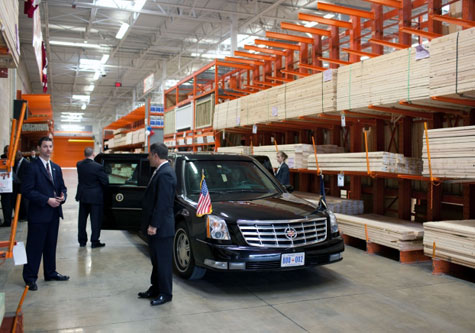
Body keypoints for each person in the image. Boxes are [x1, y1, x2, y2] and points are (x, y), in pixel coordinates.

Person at [21, 136, 69, 291]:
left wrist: (63, 197)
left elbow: (63, 188)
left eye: (50, 146)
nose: (48, 149)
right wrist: (46, 200)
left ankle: (50, 272)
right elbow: (27, 190)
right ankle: (30, 278)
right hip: (39, 214)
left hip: (54, 214)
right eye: (45, 146)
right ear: (39, 148)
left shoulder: (56, 167)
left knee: (50, 245)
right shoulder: (32, 167)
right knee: (35, 247)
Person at [138, 143, 176, 306]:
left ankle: (166, 293)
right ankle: (155, 288)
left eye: (149, 155)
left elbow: (163, 203)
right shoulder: (160, 171)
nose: (147, 158)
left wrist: (154, 225)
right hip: (157, 226)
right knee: (156, 261)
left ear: (155, 155)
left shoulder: (166, 173)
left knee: (163, 262)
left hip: (162, 228)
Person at [76, 147, 109, 248]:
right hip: (95, 197)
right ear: (93, 154)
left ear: (84, 154)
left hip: (83, 196)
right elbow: (105, 182)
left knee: (82, 219)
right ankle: (94, 241)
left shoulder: (79, 165)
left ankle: (82, 241)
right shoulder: (98, 167)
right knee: (95, 220)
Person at [14, 151, 30, 221]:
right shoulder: (16, 162)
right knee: (19, 202)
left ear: (20, 155)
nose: (14, 158)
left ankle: (25, 216)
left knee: (24, 202)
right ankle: (19, 215)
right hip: (17, 185)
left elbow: (28, 175)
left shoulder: (26, 163)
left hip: (23, 185)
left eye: (16, 156)